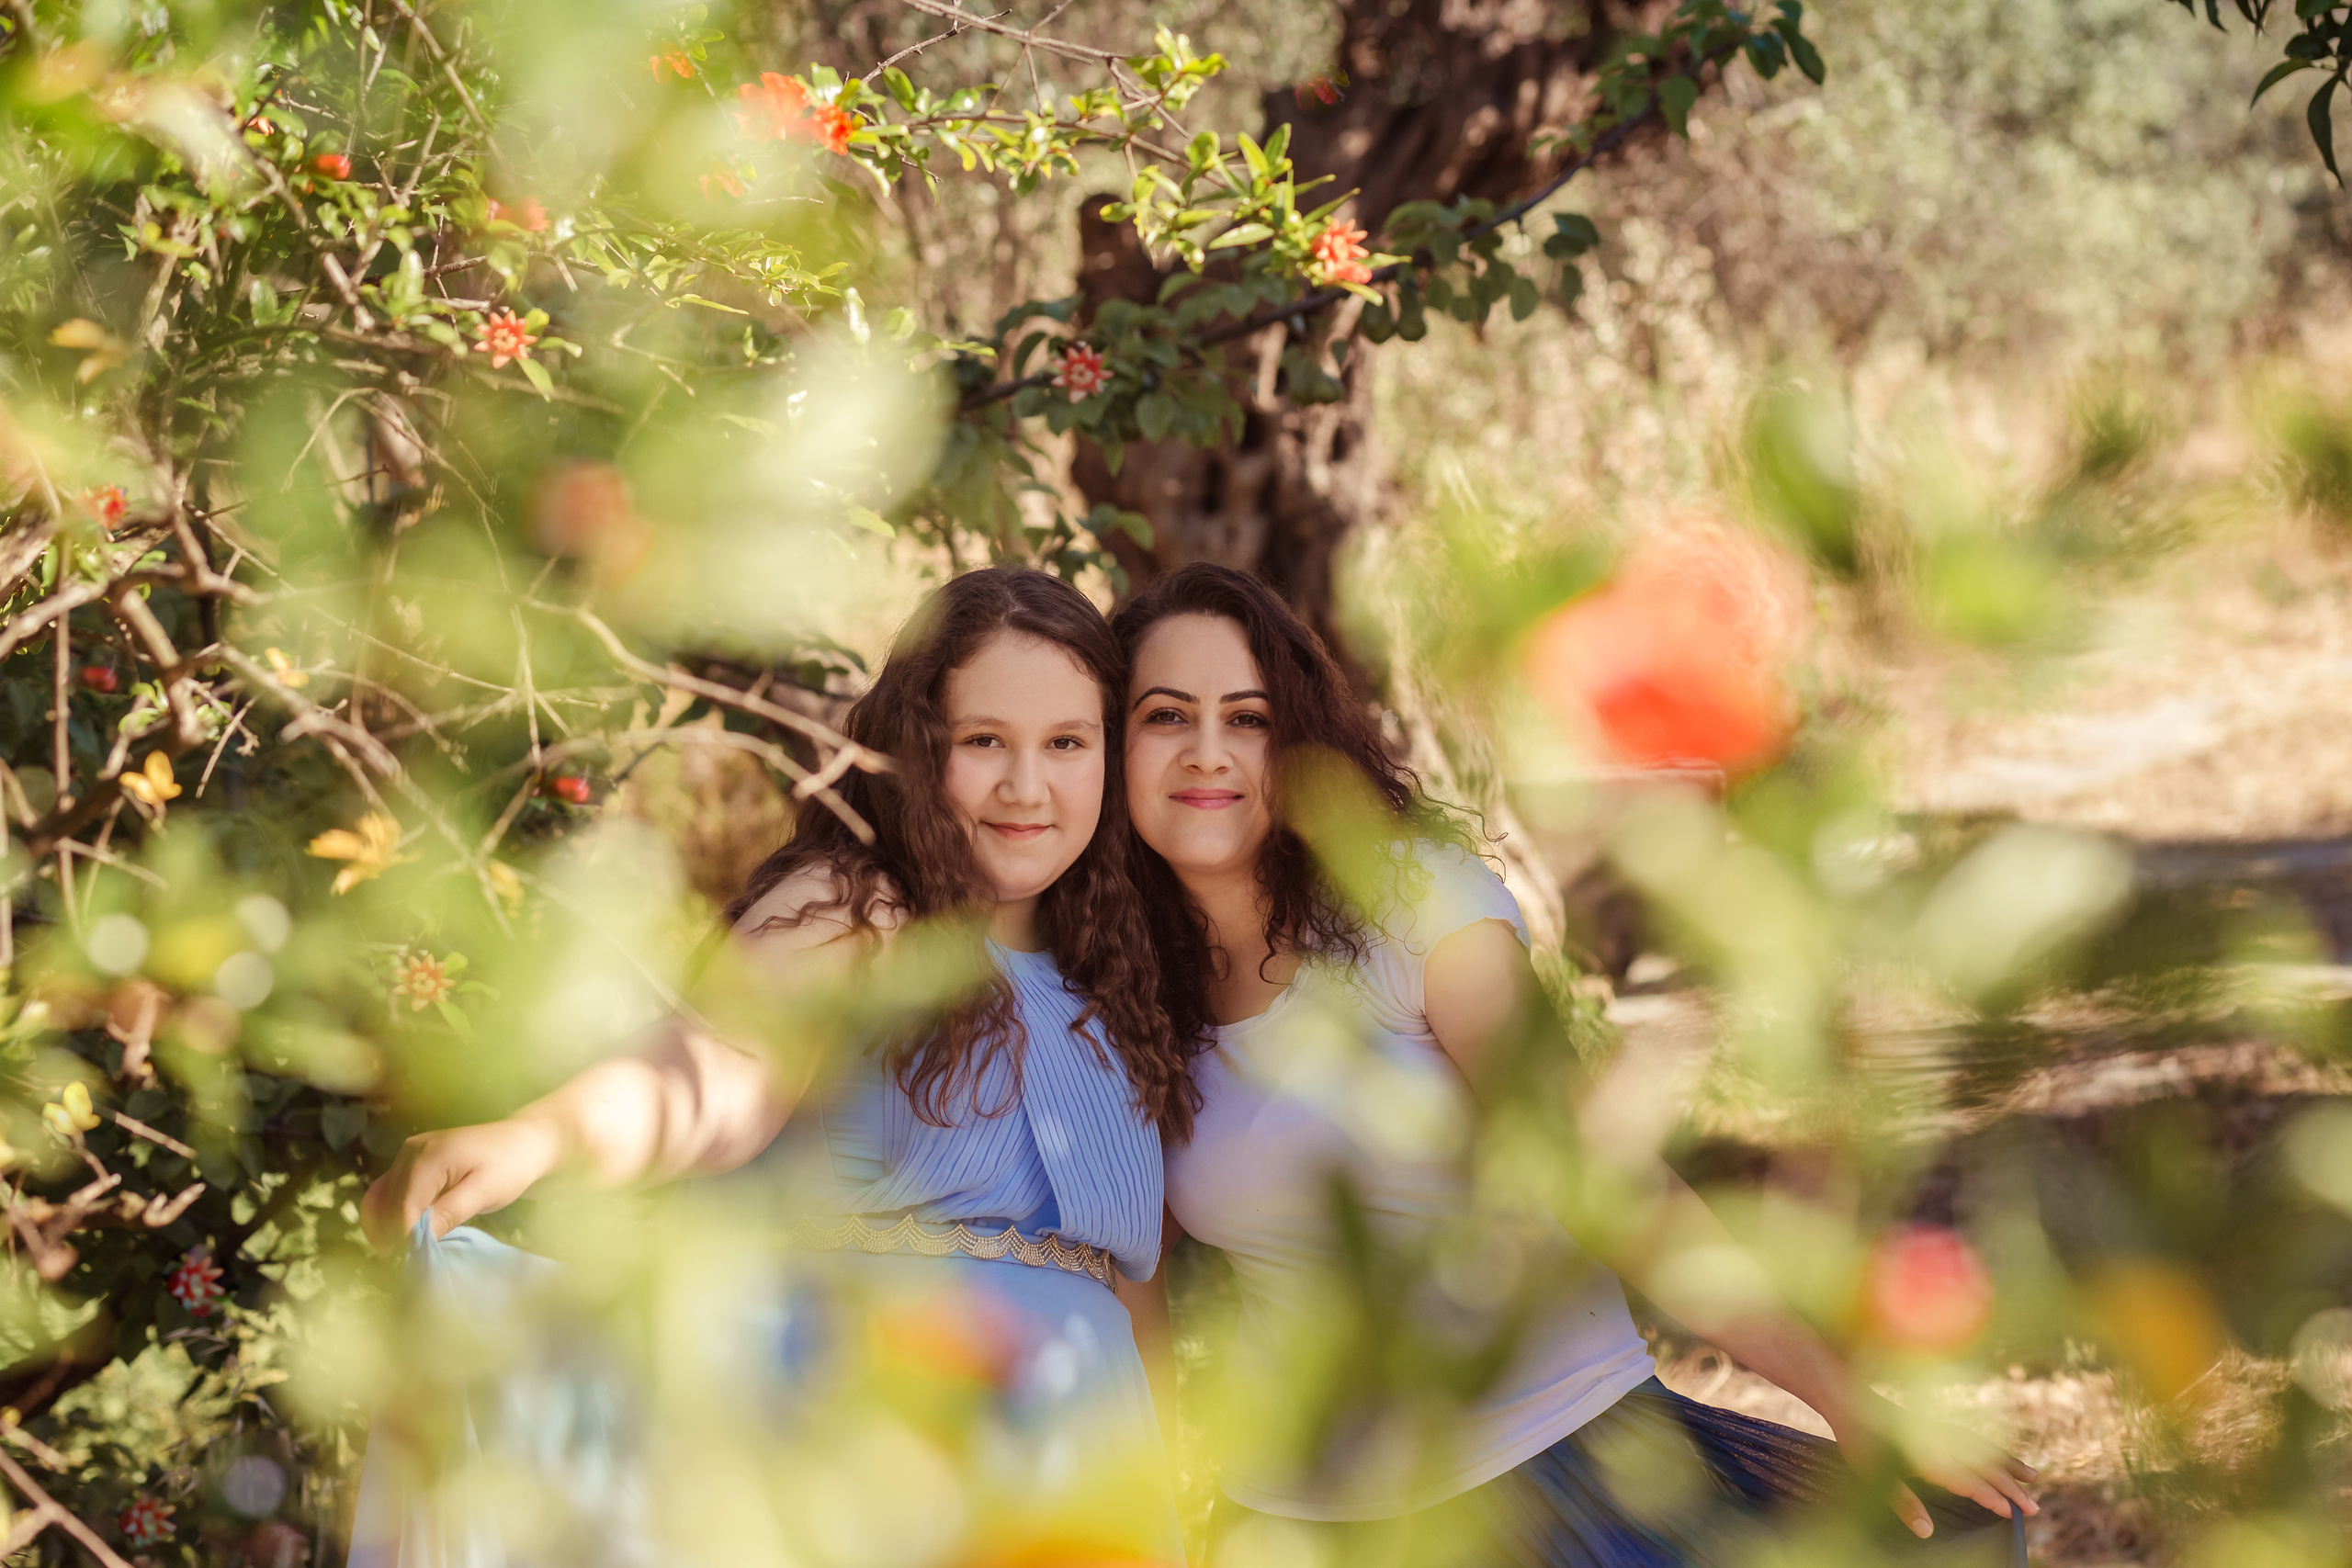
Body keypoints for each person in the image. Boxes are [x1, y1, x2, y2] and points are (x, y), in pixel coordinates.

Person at [1114, 562, 2040, 1567]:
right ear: (1112, 748)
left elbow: (1612, 1185)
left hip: (1554, 1474)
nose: (1207, 753)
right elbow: (1138, 1295)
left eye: (1245, 719)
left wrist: (1846, 1403)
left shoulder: (1413, 910)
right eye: (1165, 717)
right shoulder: (1121, 993)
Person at [356, 567, 1193, 1566]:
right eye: (983, 743)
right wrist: (541, 1136)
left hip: (1080, 1474)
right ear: (917, 750)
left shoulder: (1119, 981)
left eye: (1066, 743)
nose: (1027, 785)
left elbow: (1129, 1294)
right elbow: (715, 1069)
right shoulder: (856, 908)